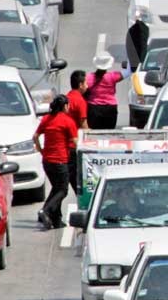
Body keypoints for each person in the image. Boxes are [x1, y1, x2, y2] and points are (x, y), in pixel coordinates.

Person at [34, 94, 78, 230]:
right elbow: (76, 142)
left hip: (47, 161)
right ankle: (45, 211)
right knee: (63, 190)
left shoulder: (47, 119)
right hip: (60, 161)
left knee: (56, 188)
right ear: (65, 106)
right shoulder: (67, 121)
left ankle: (56, 220)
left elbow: (35, 136)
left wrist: (42, 151)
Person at [84, 53, 122, 129]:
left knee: (94, 134)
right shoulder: (113, 76)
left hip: (94, 108)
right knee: (108, 133)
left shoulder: (88, 77)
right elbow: (127, 72)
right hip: (110, 109)